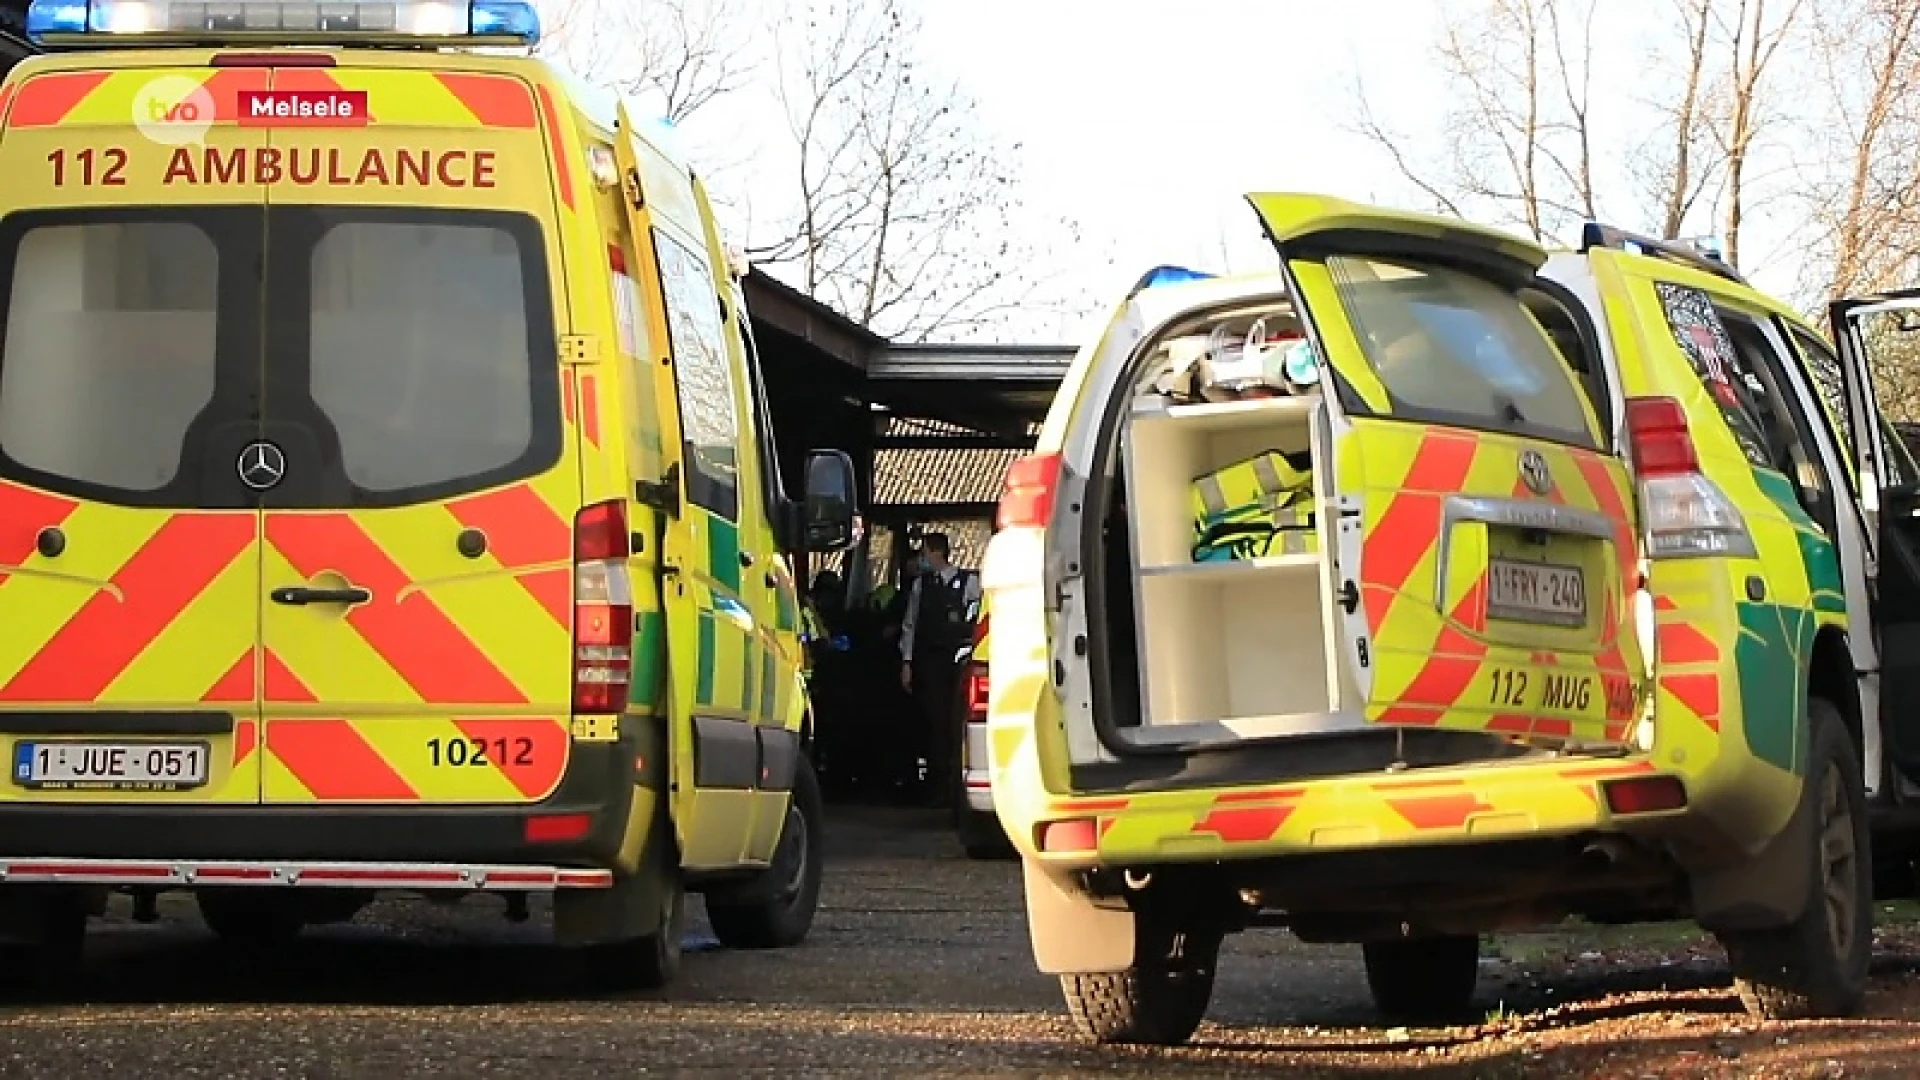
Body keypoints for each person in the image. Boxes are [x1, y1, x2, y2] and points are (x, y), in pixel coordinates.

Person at [898, 533, 981, 805]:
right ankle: (938, 785)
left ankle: (957, 782)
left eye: (923, 552)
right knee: (934, 722)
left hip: (959, 662)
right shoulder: (922, 586)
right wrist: (907, 662)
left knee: (956, 721)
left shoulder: (968, 583)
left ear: (936, 553)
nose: (920, 559)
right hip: (931, 663)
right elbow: (910, 626)